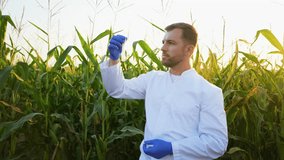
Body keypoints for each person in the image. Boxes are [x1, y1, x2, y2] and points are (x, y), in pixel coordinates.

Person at [100, 22, 228, 159]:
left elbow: (216, 143)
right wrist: (114, 60)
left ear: (189, 50)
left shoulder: (208, 92)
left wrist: (172, 148)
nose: (163, 48)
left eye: (171, 43)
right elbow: (117, 89)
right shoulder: (152, 79)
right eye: (163, 42)